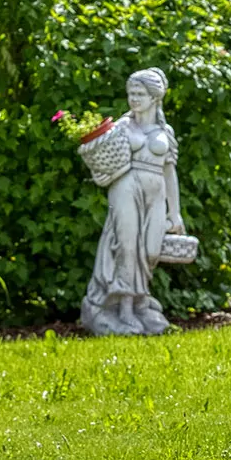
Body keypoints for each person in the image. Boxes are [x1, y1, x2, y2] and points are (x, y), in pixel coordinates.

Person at [79, 67, 185, 336]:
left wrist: (175, 212)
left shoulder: (165, 131)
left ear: (154, 98)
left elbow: (169, 173)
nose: (134, 99)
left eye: (140, 94)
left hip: (156, 193)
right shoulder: (122, 127)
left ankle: (140, 301)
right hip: (125, 188)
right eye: (131, 93)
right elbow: (105, 154)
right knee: (126, 246)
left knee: (150, 250)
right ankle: (125, 307)